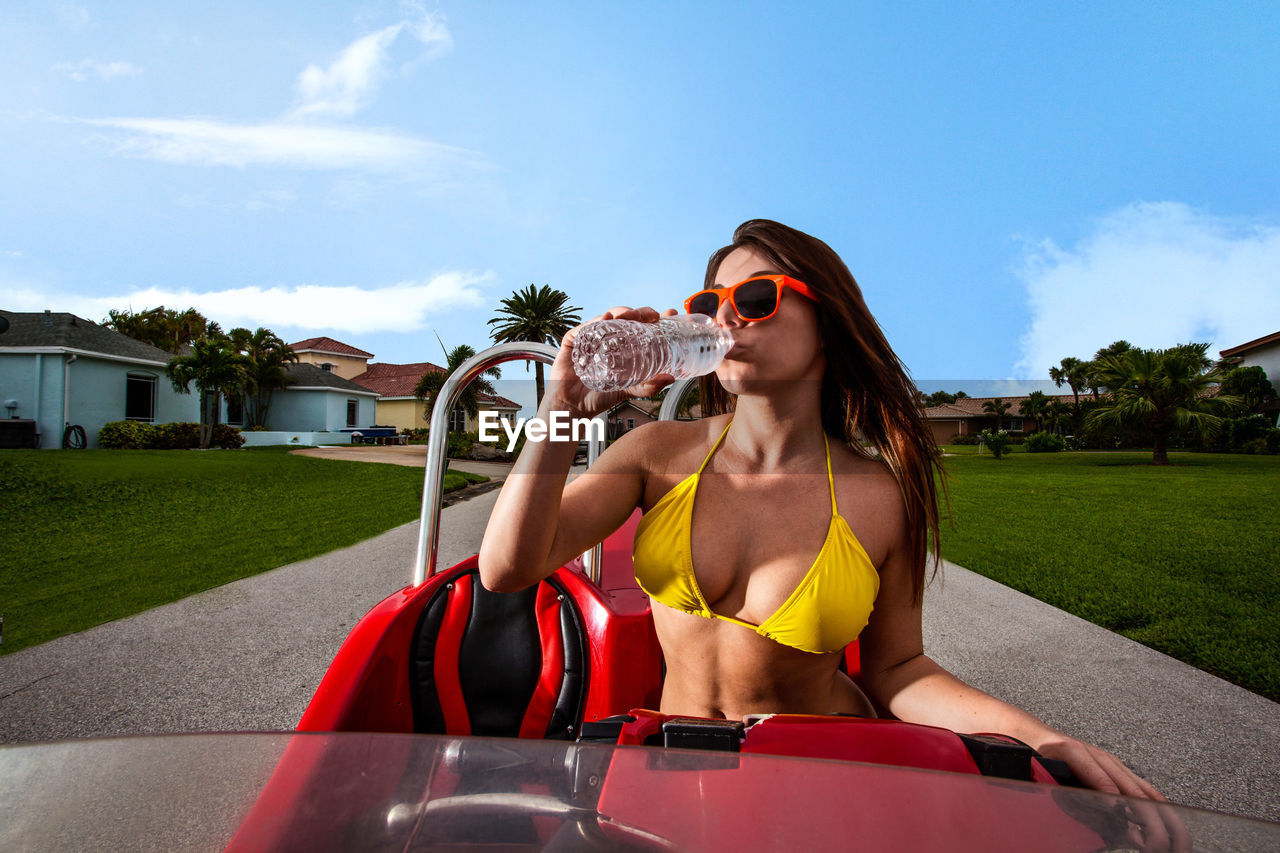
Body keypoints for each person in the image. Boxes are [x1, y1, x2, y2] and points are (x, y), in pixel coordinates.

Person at [479, 219, 1185, 850]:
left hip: (820, 778)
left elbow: (898, 669)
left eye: (755, 298)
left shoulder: (881, 495)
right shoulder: (657, 453)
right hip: (676, 765)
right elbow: (507, 567)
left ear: (828, 321)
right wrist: (562, 403)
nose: (724, 318)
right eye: (707, 305)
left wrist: (1044, 740)